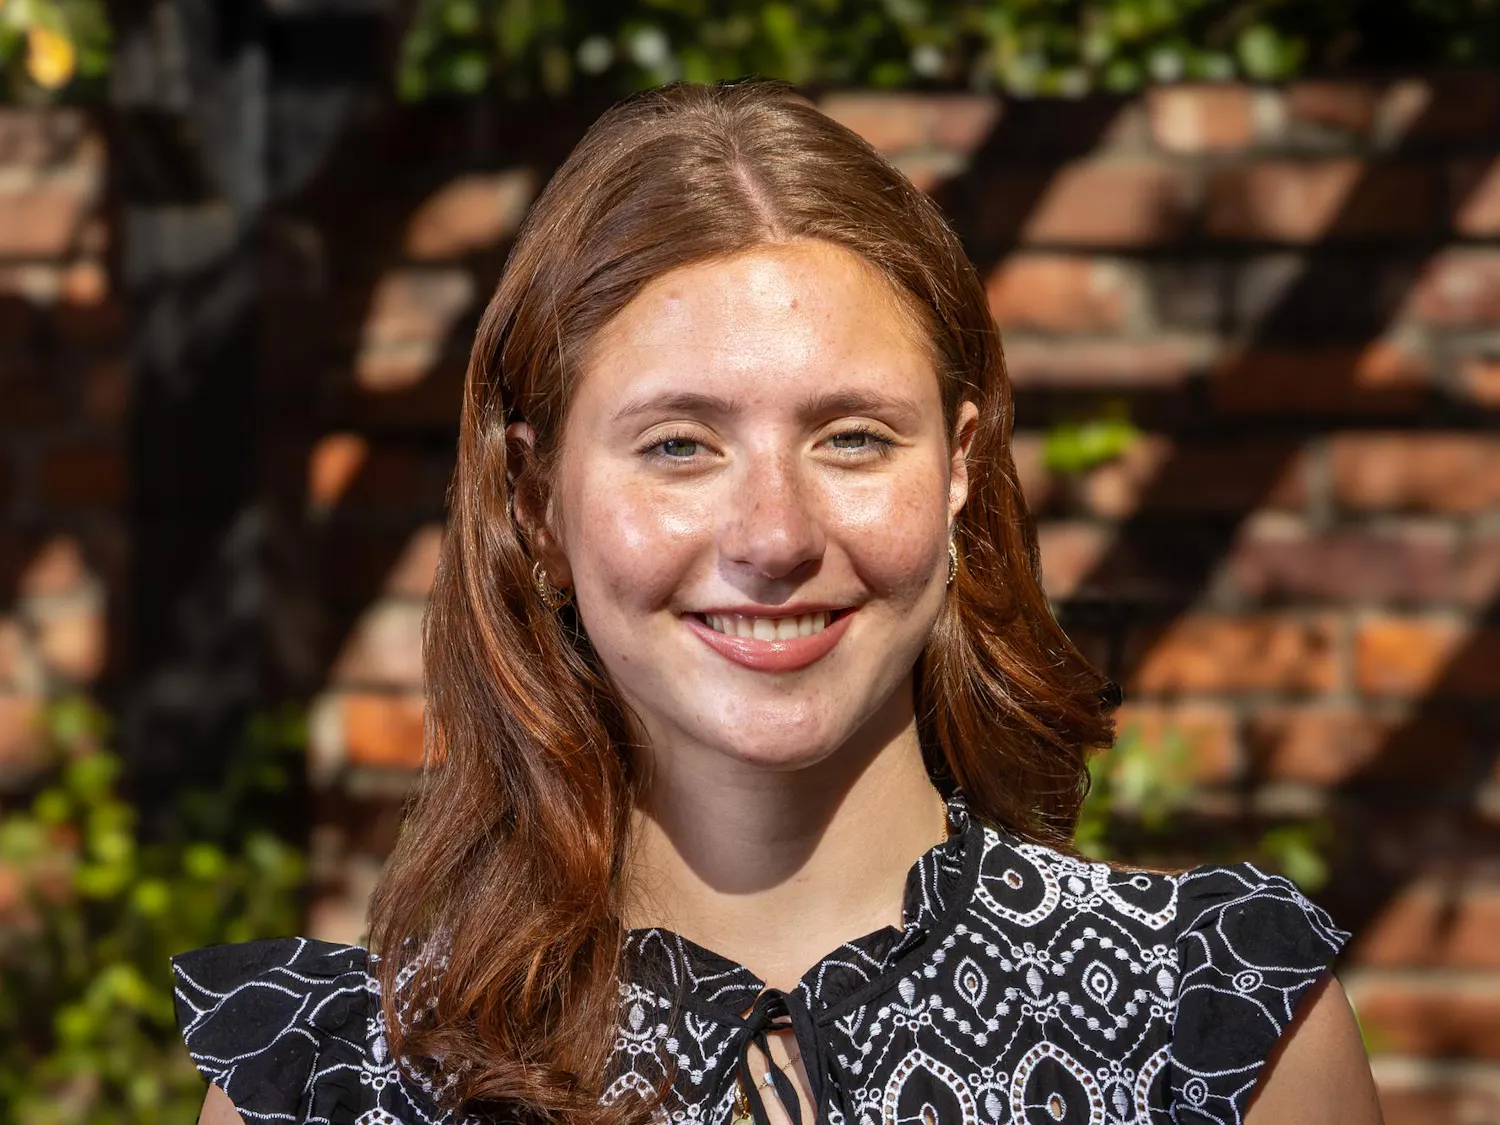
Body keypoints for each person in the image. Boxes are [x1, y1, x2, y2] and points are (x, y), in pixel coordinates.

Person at [172, 80, 1383, 1125]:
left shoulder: (1210, 1026)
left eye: (852, 438)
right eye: (679, 446)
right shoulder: (335, 1082)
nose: (775, 537)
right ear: (538, 506)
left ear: (959, 470)